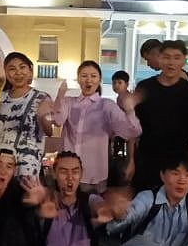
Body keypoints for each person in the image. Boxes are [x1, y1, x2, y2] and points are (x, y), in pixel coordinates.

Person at [130, 39, 188, 190]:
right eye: (166, 57)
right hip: (148, 159)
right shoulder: (145, 88)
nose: (171, 62)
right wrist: (130, 160)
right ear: (160, 58)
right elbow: (133, 127)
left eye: (176, 57)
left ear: (184, 60)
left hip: (181, 161)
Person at [52, 61, 141, 191]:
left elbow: (131, 132)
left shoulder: (107, 105)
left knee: (94, 203)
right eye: (84, 76)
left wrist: (130, 112)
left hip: (94, 173)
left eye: (93, 76)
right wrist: (60, 96)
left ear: (99, 80)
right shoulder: (69, 102)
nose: (88, 80)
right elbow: (58, 121)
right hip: (67, 172)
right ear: (78, 79)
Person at [0, 52, 59, 179]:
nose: (18, 72)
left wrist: (43, 116)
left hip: (27, 164)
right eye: (12, 69)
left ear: (30, 71)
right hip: (0, 160)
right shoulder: (0, 97)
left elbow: (49, 131)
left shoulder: (41, 97)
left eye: (22, 67)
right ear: (6, 73)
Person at [109, 70, 133, 187]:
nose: (116, 85)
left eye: (119, 82)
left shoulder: (127, 99)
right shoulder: (120, 98)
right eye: (114, 83)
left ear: (126, 84)